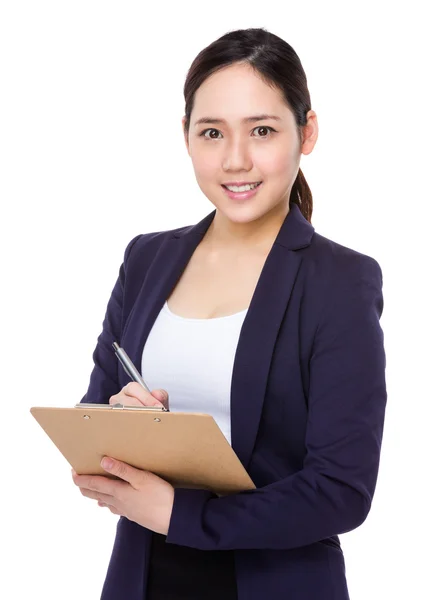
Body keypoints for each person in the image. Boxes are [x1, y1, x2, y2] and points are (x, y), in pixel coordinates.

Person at [71, 27, 387, 600]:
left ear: (307, 131)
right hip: (141, 579)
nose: (235, 160)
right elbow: (90, 415)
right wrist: (118, 420)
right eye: (212, 132)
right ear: (186, 136)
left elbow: (342, 489)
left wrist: (183, 516)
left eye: (262, 130)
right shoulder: (147, 258)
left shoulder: (340, 281)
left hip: (277, 584)